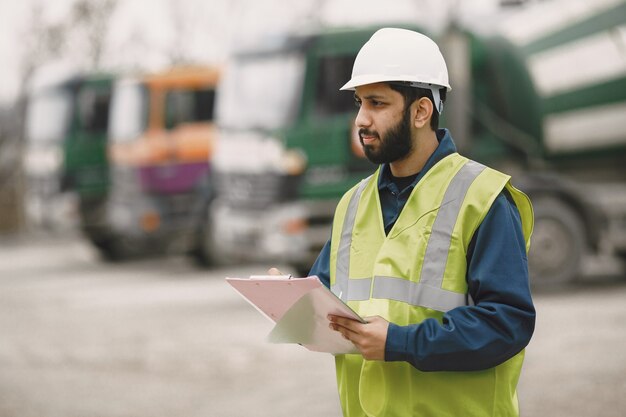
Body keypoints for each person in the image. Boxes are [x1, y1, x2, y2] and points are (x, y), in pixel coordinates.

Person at [308, 28, 535, 416]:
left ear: (420, 111)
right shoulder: (353, 203)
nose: (362, 119)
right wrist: (287, 300)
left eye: (377, 103)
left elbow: (508, 323)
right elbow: (327, 303)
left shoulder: (483, 198)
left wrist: (401, 342)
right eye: (360, 103)